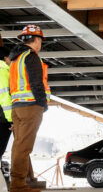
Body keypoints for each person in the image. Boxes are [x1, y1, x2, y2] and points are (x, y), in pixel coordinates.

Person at [9, 25, 50, 192]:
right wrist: (42, 103)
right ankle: (18, 185)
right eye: (40, 40)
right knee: (24, 146)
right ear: (38, 40)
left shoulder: (15, 58)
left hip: (17, 106)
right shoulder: (31, 57)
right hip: (30, 106)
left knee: (19, 145)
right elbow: (36, 82)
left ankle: (24, 181)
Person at [0, 47, 12, 161]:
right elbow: (4, 97)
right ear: (5, 58)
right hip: (3, 119)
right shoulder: (2, 71)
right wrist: (11, 119)